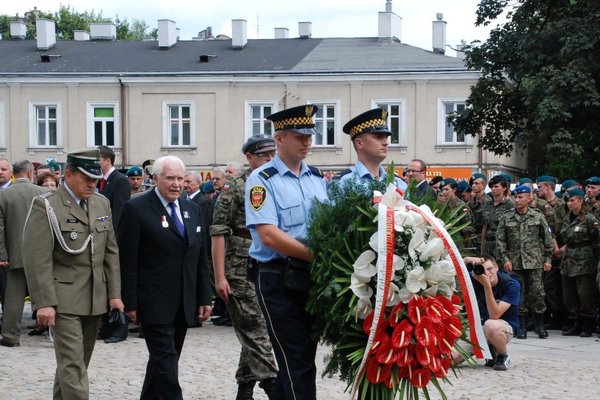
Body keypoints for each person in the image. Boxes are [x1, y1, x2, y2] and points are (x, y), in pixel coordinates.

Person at [22, 149, 124, 399]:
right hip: (63, 298)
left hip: (94, 297)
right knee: (73, 365)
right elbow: (38, 258)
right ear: (68, 174)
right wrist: (44, 302)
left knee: (77, 363)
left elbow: (110, 252)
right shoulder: (46, 205)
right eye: (87, 179)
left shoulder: (101, 203)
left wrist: (114, 294)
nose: (92, 184)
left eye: (96, 179)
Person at [245, 104, 328, 400]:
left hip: (310, 278)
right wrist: (318, 255)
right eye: (298, 136)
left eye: (309, 136)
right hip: (277, 278)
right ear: (279, 139)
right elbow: (268, 235)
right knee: (297, 361)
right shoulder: (262, 180)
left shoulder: (317, 179)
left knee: (302, 357)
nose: (307, 142)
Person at [118, 155, 212, 400]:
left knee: (164, 361)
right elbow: (127, 260)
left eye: (180, 178)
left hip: (184, 301)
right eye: (170, 178)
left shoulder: (193, 209)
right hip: (152, 301)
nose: (176, 184)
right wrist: (130, 302)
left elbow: (200, 258)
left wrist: (204, 297)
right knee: (166, 360)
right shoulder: (136, 209)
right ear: (155, 178)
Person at [210, 135, 279, 400]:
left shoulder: (275, 183)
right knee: (254, 326)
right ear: (250, 158)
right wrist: (219, 277)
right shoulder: (236, 188)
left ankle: (245, 388)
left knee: (256, 326)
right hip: (238, 266)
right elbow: (218, 232)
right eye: (264, 156)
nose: (270, 160)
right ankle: (275, 385)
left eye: (273, 154)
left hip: (268, 263)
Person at [0, 160, 48, 347]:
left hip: (16, 254)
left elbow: (0, 229)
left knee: (14, 296)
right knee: (46, 293)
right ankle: (58, 332)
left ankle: (10, 335)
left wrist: (2, 255)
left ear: (14, 173)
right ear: (30, 173)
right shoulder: (45, 193)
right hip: (42, 254)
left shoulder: (4, 195)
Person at [496, 185, 553, 339]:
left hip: (534, 262)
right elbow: (500, 240)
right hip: (514, 262)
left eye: (521, 197)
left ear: (529, 198)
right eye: (515, 197)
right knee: (519, 295)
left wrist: (548, 259)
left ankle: (539, 326)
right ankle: (521, 327)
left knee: (538, 293)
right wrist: (505, 259)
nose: (517, 200)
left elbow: (547, 239)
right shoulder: (507, 217)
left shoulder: (538, 216)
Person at [463, 255, 520, 371]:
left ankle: (502, 355)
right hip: (481, 330)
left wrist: (487, 286)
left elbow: (495, 315)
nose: (487, 273)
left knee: (491, 325)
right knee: (450, 360)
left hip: (503, 328)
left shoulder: (511, 284)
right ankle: (490, 348)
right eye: (483, 270)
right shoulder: (476, 277)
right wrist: (465, 261)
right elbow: (448, 273)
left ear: (497, 268)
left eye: (490, 269)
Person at [557, 188, 600, 337]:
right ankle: (575, 321)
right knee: (569, 294)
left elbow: (597, 242)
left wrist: (593, 260)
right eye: (567, 201)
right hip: (569, 260)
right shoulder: (567, 218)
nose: (569, 203)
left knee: (585, 294)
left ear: (581, 201)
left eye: (572, 200)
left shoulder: (589, 219)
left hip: (584, 261)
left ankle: (588, 323)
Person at [335, 108, 407, 191]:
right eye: (378, 137)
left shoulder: (399, 184)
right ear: (359, 143)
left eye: (386, 137)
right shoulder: (342, 183)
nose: (386, 143)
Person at [536, 175, 568, 329]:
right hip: (543, 251)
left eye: (540, 187)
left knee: (556, 286)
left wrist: (559, 248)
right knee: (545, 286)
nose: (538, 190)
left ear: (548, 187)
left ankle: (560, 317)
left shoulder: (562, 205)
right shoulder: (538, 205)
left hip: (559, 252)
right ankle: (548, 316)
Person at [97, 145, 131, 230]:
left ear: (108, 160)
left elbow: (119, 215)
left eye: (97, 160)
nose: (95, 163)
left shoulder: (120, 181)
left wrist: (113, 241)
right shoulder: (101, 180)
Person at [481, 175, 513, 259]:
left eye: (496, 186)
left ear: (504, 188)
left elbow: (511, 229)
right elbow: (485, 226)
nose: (493, 189)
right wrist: (482, 245)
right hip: (488, 244)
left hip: (501, 245)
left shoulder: (509, 205)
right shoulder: (487, 205)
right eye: (491, 187)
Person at [437, 178, 474, 249]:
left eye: (447, 189)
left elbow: (468, 229)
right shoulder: (445, 205)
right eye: (443, 190)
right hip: (447, 242)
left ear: (454, 190)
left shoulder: (461, 206)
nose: (444, 192)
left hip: (459, 244)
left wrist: (467, 248)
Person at [468, 173, 491, 253]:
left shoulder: (488, 202)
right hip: (471, 241)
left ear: (483, 186)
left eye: (477, 183)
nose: (473, 185)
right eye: (473, 183)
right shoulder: (470, 202)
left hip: (482, 242)